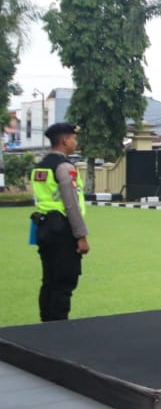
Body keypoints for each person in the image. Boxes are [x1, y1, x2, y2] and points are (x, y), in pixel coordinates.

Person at [30, 122, 90, 322]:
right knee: (64, 282)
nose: (75, 141)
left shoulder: (40, 167)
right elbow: (71, 204)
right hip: (63, 230)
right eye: (73, 138)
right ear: (64, 140)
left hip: (44, 227)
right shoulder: (65, 167)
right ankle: (59, 328)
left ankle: (46, 324)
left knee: (49, 280)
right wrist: (81, 237)